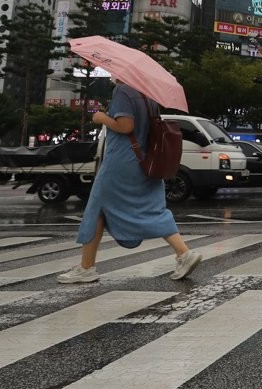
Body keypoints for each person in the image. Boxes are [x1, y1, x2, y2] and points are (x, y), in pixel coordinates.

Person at [57, 80, 202, 283]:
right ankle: (184, 253)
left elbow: (125, 126)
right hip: (146, 160)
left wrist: (101, 118)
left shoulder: (123, 90)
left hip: (122, 160)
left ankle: (86, 268)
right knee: (153, 208)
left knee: (96, 207)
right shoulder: (148, 92)